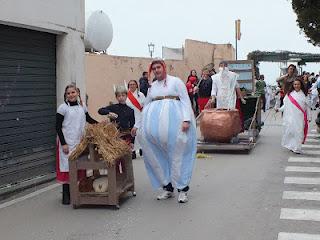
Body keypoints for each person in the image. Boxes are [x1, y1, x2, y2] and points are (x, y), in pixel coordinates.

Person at [132, 59, 196, 203]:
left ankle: (182, 189)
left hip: (175, 126)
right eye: (153, 68)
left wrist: (186, 119)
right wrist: (137, 125)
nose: (156, 70)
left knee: (178, 155)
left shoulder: (176, 82)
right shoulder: (152, 87)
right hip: (155, 132)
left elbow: (185, 100)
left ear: (164, 68)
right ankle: (167, 187)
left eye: (158, 67)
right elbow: (146, 105)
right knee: (157, 156)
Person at [56, 84, 97, 205]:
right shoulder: (63, 108)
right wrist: (63, 143)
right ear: (66, 95)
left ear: (77, 93)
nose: (71, 95)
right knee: (67, 167)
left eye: (73, 92)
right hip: (67, 142)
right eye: (68, 93)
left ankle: (77, 192)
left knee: (79, 165)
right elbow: (57, 127)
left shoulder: (82, 106)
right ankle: (66, 195)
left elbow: (89, 119)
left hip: (79, 142)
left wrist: (101, 124)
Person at [276, 78, 310, 154]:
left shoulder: (304, 95)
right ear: (293, 85)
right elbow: (285, 106)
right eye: (295, 84)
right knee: (291, 132)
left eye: (298, 84)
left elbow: (307, 107)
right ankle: (292, 146)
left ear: (301, 85)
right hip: (290, 117)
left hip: (300, 117)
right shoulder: (289, 94)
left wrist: (309, 117)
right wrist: (279, 109)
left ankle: (297, 148)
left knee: (298, 132)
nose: (296, 86)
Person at [98, 86, 135, 151]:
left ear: (126, 96)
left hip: (126, 137)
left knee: (126, 157)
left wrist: (132, 141)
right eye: (119, 96)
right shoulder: (113, 107)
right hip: (114, 136)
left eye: (123, 95)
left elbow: (132, 127)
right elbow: (100, 110)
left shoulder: (130, 110)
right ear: (116, 97)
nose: (121, 97)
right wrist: (109, 112)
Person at [126, 80, 145, 158]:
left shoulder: (141, 95)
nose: (132, 86)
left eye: (133, 84)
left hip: (140, 115)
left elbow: (145, 104)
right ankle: (132, 151)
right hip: (131, 116)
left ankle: (142, 148)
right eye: (130, 84)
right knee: (132, 133)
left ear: (137, 85)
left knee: (140, 133)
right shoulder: (126, 95)